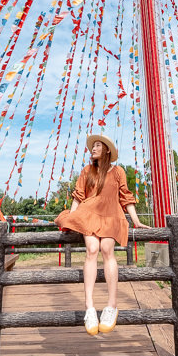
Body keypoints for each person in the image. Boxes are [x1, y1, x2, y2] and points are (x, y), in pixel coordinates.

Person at [56, 133, 149, 335]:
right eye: (93, 146)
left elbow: (125, 196)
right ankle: (89, 308)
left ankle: (111, 305)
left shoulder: (118, 171)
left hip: (111, 213)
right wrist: (72, 218)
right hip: (88, 213)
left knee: (107, 249)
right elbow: (79, 196)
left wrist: (136, 220)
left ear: (107, 149)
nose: (93, 148)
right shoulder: (87, 170)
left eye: (98, 145)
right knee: (92, 249)